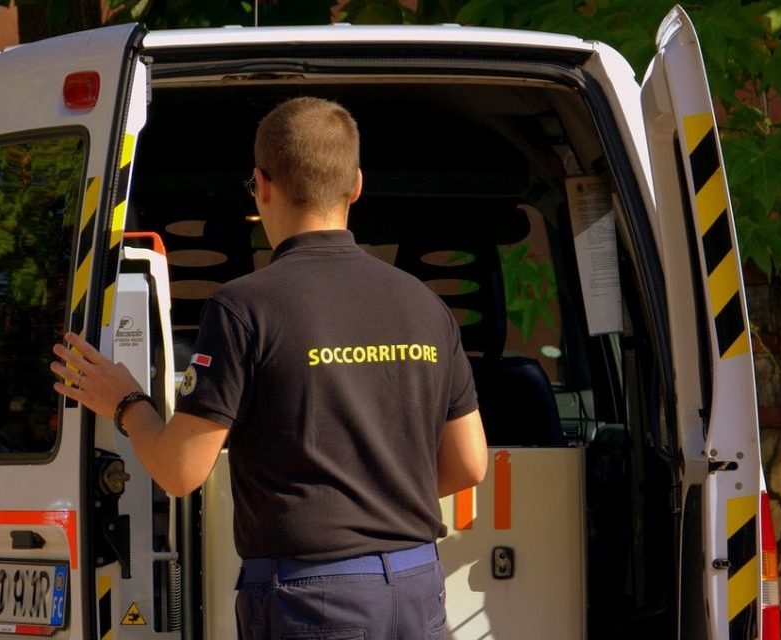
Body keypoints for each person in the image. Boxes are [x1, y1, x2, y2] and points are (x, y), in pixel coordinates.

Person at [51, 96, 487, 639]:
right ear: (355, 185)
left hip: (314, 600)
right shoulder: (426, 305)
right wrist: (378, 501)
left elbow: (180, 471)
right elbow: (469, 464)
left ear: (261, 185)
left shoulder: (245, 307)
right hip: (418, 587)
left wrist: (125, 402)